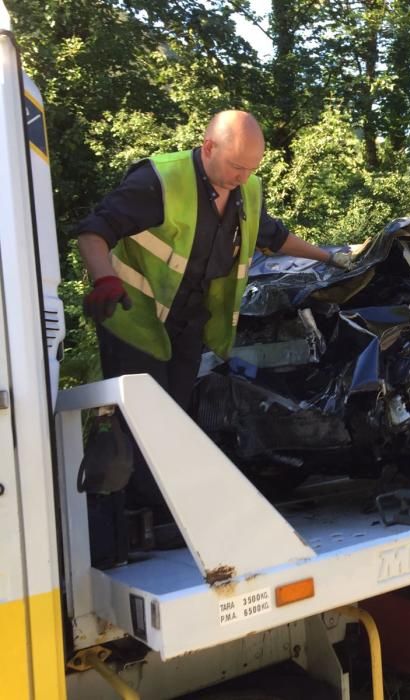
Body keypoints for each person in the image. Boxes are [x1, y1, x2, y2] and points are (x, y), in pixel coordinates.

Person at [75, 110, 349, 565]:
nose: (244, 177)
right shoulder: (160, 181)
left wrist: (329, 257)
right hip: (134, 316)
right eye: (237, 167)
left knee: (175, 419)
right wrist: (104, 279)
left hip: (187, 325)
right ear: (208, 148)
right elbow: (92, 230)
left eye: (252, 169)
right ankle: (118, 531)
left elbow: (273, 236)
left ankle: (164, 517)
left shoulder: (245, 192)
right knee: (139, 422)